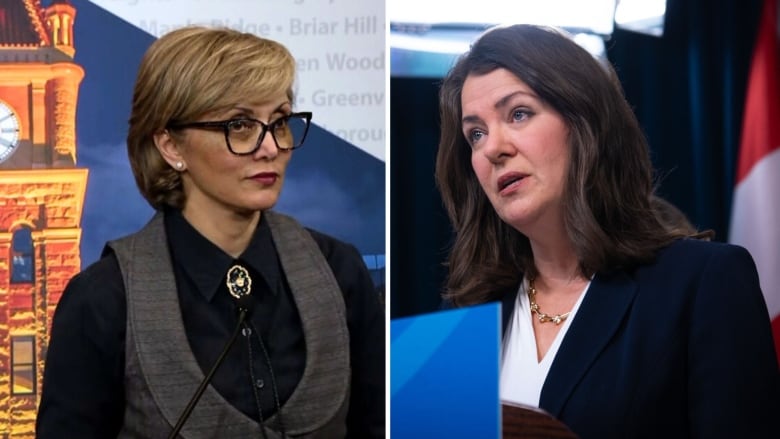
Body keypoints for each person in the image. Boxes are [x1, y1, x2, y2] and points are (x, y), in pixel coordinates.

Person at [36, 26, 385, 438]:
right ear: (171, 146)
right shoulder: (103, 300)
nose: (270, 147)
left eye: (280, 121)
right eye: (240, 125)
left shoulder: (338, 271)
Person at [435, 24, 779, 438]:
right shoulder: (466, 317)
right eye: (476, 133)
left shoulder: (703, 283)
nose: (493, 148)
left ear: (586, 122)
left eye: (519, 113)